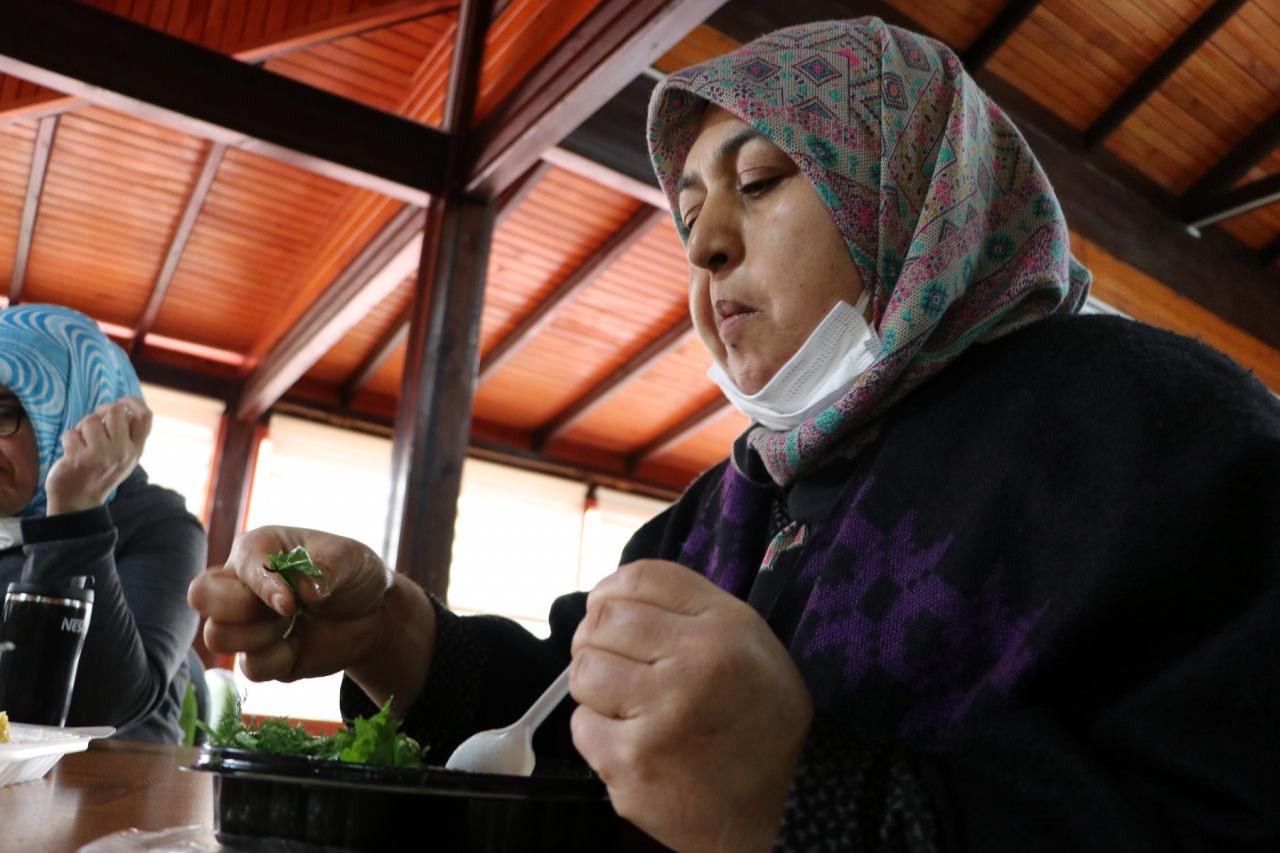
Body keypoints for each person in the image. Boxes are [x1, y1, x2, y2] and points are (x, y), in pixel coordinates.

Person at [189, 17, 1280, 851]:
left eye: (760, 181)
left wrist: (809, 798)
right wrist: (387, 632)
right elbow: (563, 715)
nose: (703, 240)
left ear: (910, 189)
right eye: (689, 213)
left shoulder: (1159, 423)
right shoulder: (725, 505)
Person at [0, 304, 207, 742]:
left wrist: (74, 513)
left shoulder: (162, 526)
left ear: (77, 414)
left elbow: (108, 709)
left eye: (4, 414)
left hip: (110, 795)